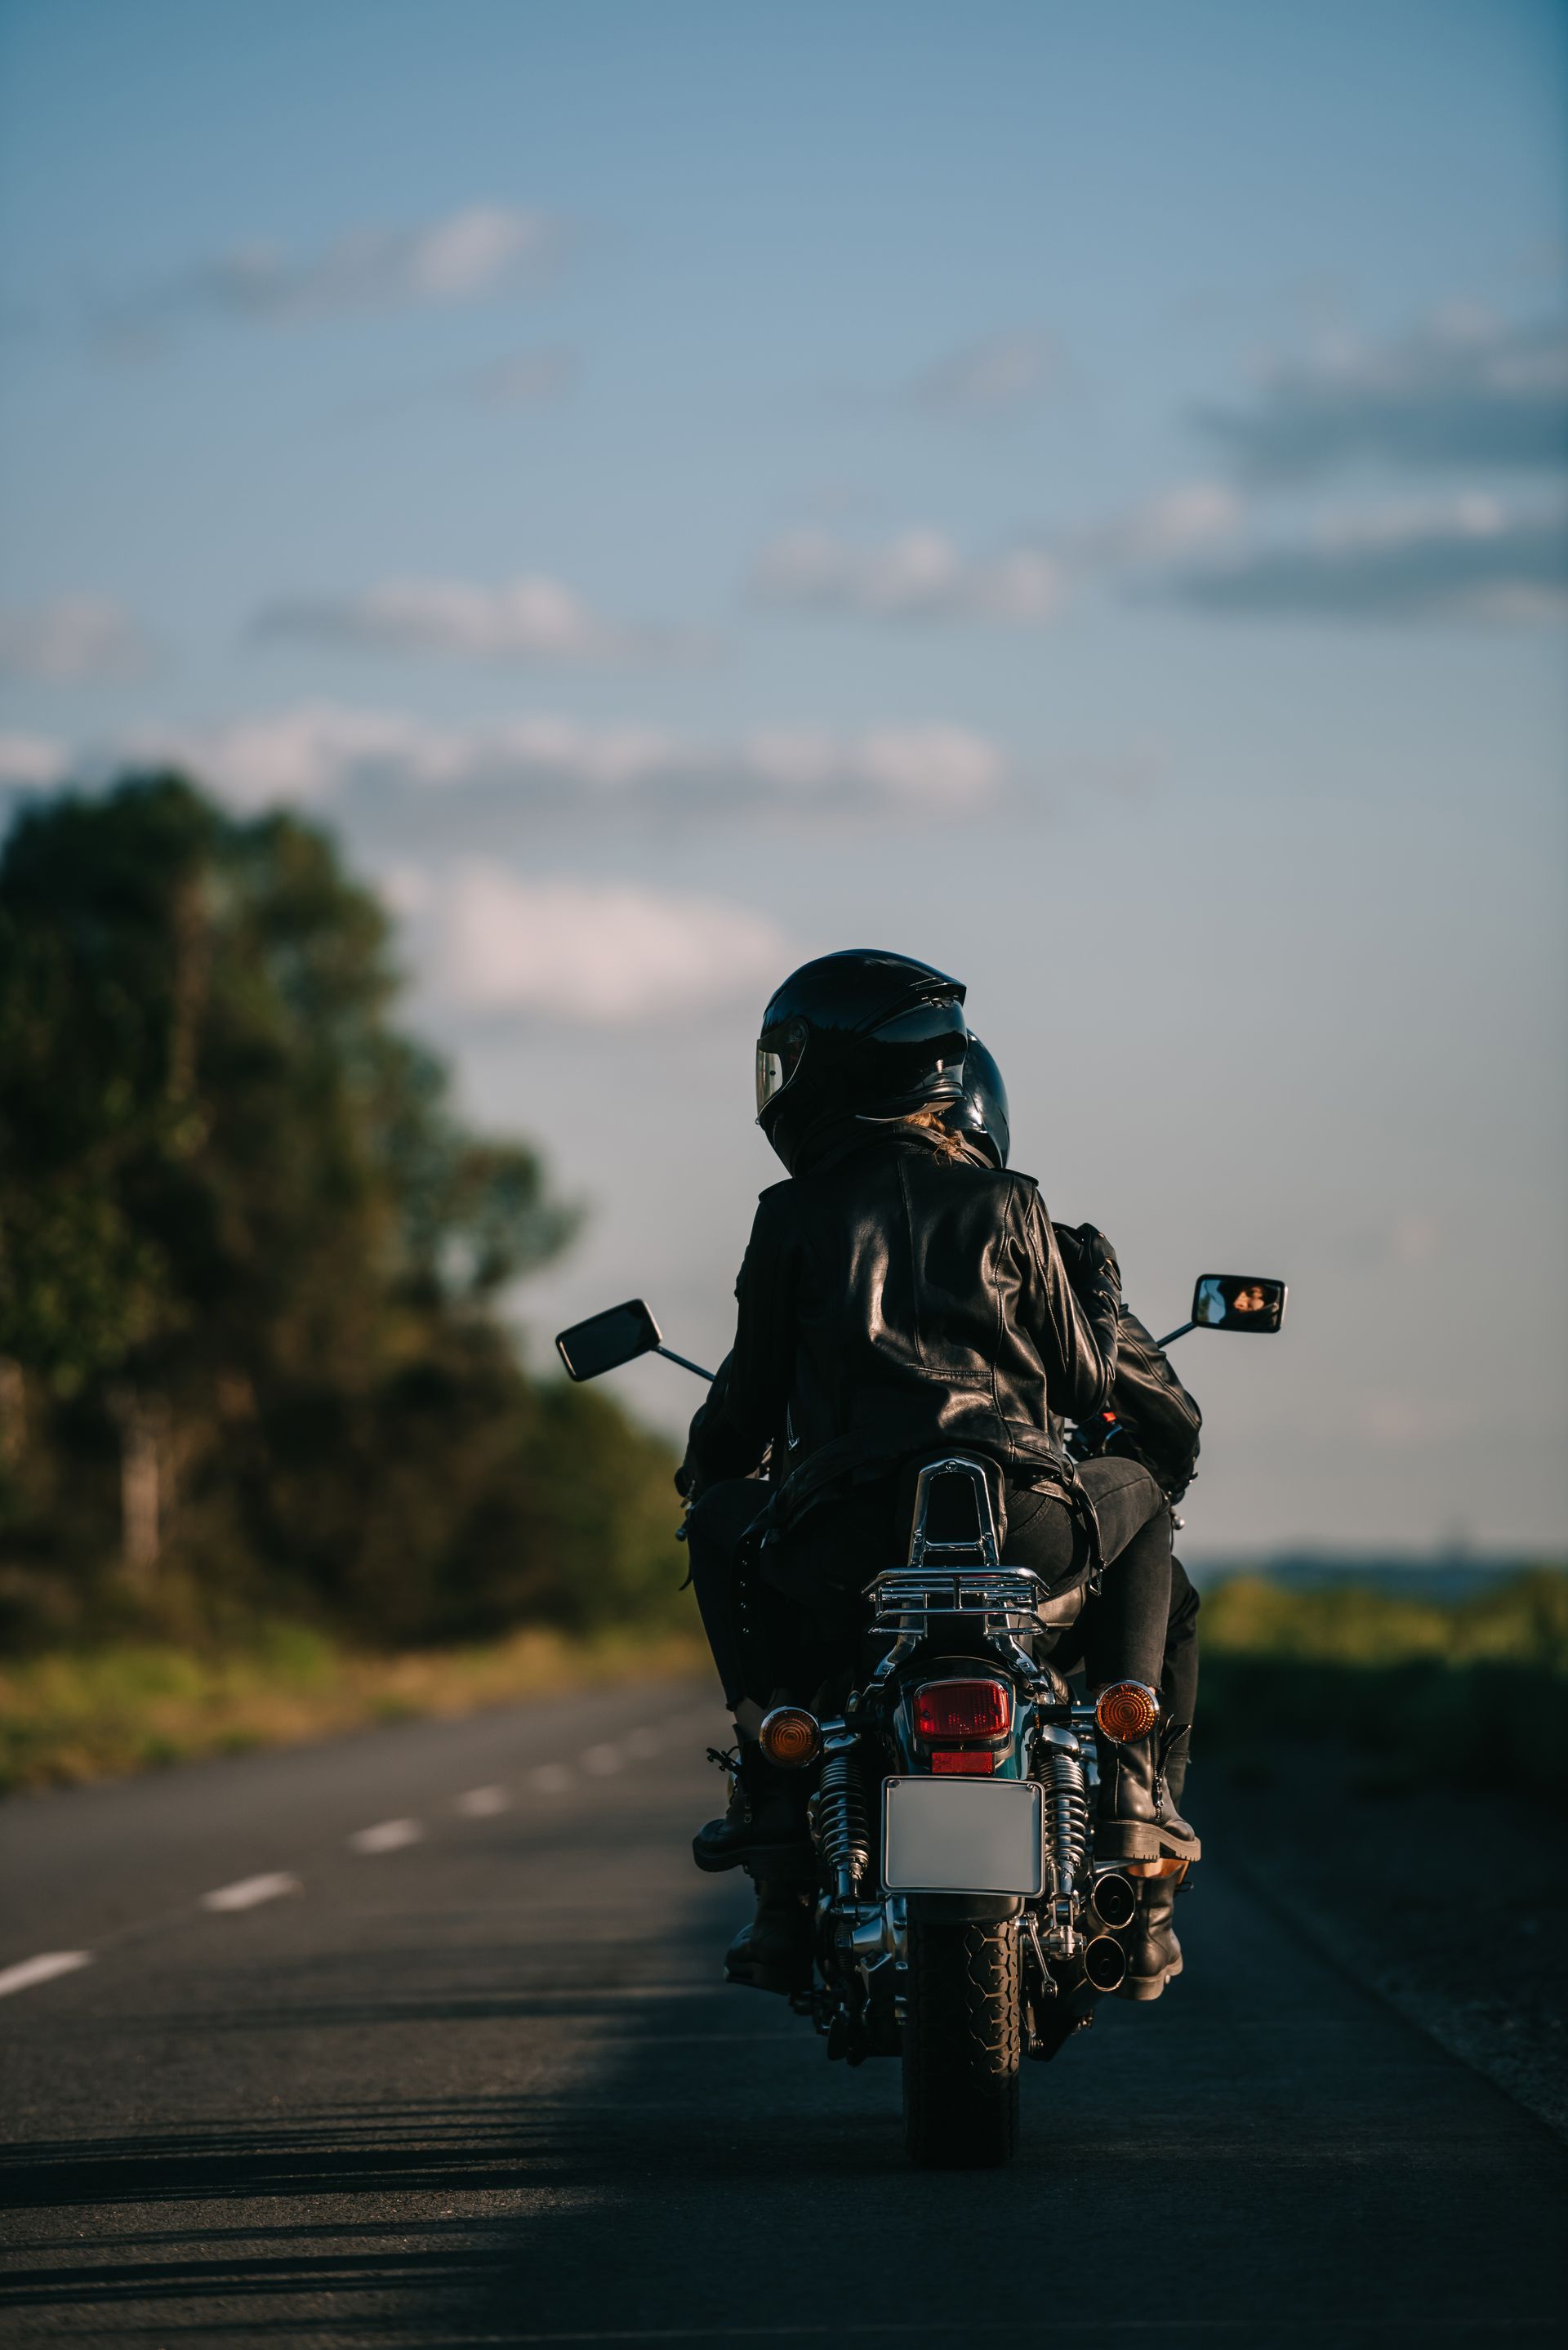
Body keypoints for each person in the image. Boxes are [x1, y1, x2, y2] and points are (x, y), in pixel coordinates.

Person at [679, 950, 1199, 1992]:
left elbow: (745, 1406)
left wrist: (711, 1472)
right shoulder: (1013, 1205)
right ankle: (1135, 1800)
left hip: (848, 1534)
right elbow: (1094, 1378)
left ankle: (778, 1822)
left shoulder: (791, 1218)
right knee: (1143, 1499)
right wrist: (1089, 1288)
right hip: (1022, 1523)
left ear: (836, 1073)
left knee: (719, 1522)